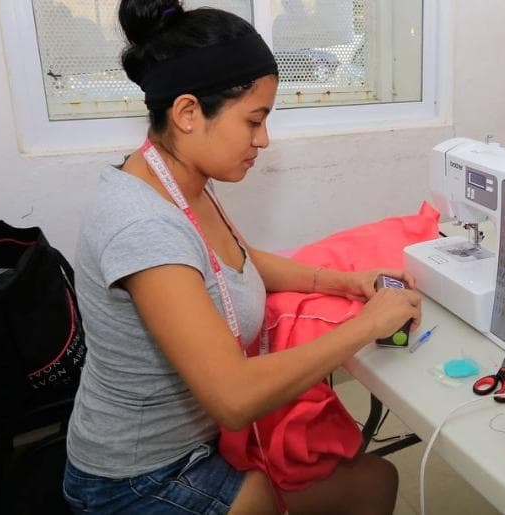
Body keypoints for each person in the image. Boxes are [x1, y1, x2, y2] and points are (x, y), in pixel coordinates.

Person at [62, 1, 421, 514]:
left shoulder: (176, 180)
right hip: (137, 479)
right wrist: (367, 326)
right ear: (188, 113)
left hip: (195, 443)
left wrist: (343, 282)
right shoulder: (141, 224)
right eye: (254, 120)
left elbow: (233, 259)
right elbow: (232, 398)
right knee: (290, 492)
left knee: (374, 481)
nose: (264, 139)